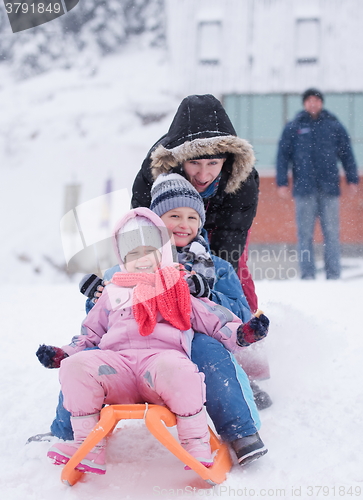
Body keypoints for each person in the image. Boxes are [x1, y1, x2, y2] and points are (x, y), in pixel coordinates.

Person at [36, 208, 268, 474]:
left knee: (182, 370)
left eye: (150, 251)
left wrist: (242, 333)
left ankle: (195, 443)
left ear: (163, 253)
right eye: (133, 254)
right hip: (118, 368)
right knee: (76, 367)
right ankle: (87, 446)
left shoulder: (178, 287)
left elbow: (212, 319)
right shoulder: (113, 291)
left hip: (159, 368)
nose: (142, 259)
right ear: (122, 260)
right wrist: (64, 355)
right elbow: (91, 334)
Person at [131, 94, 260, 312]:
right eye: (194, 163)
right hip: (172, 223)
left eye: (213, 163)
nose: (203, 174)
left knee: (230, 268)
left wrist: (212, 290)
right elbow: (141, 233)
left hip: (221, 218)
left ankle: (247, 318)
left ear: (226, 160)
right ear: (180, 160)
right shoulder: (154, 173)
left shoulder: (242, 181)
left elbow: (229, 249)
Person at [276, 88, 359, 280]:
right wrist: (281, 181)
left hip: (329, 188)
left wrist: (352, 178)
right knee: (304, 234)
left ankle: (334, 274)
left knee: (331, 233)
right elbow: (282, 156)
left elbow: (347, 154)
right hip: (304, 189)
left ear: (321, 103)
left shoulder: (334, 126)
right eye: (309, 101)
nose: (313, 104)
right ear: (305, 103)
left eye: (316, 100)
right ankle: (307, 274)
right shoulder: (294, 127)